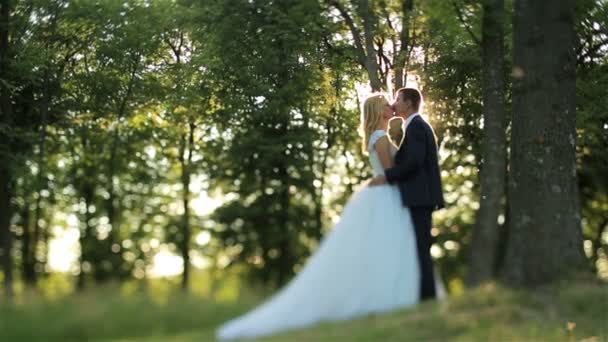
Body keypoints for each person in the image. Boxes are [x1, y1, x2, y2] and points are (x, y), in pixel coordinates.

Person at [216, 93, 421, 340]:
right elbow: (391, 172)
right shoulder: (380, 138)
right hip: (386, 197)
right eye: (387, 105)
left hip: (385, 195)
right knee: (390, 247)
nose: (391, 107)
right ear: (380, 112)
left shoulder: (378, 137)